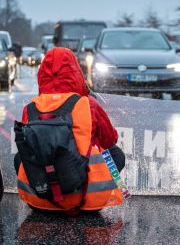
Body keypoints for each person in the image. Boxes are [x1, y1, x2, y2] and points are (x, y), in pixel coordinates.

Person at [14, 47, 125, 213]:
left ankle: (45, 201)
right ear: (76, 72)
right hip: (84, 201)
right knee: (115, 154)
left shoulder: (30, 108)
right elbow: (110, 140)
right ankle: (86, 198)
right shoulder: (88, 104)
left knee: (20, 157)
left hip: (40, 199)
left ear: (42, 75)